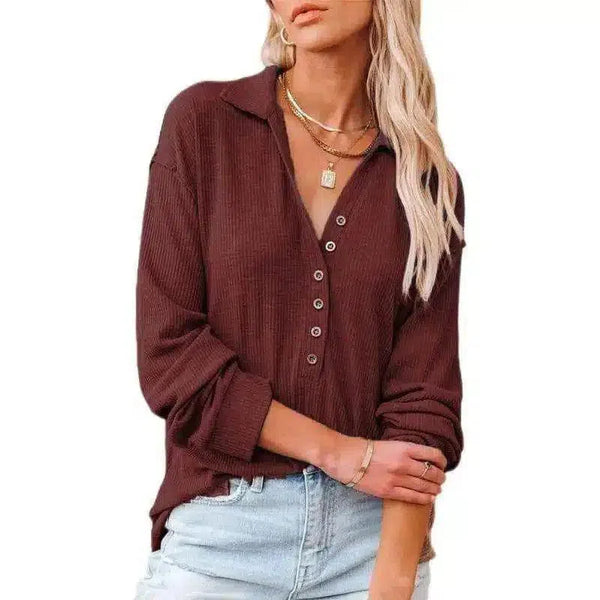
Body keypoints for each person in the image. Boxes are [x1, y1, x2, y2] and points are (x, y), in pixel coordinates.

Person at [133, 1, 466, 598]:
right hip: (220, 538)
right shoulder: (204, 124)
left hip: (369, 548)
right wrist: (342, 454)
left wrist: (393, 580)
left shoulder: (425, 182)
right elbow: (171, 357)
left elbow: (424, 403)